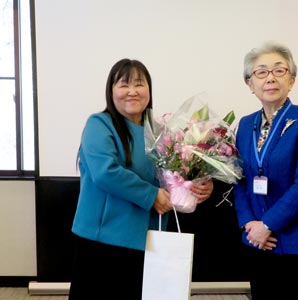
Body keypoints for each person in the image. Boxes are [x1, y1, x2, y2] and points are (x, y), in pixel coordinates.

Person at [68, 58, 213, 300]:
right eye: (123, 85)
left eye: (139, 84)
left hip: (148, 237)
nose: (132, 91)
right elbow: (106, 172)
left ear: (149, 90)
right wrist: (152, 195)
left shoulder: (159, 131)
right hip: (104, 240)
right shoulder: (99, 124)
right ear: (111, 91)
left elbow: (173, 175)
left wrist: (197, 185)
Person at [233, 41, 298, 300]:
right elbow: (239, 179)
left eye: (279, 70)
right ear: (249, 83)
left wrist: (268, 224)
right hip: (257, 242)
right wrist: (250, 225)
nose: (270, 78)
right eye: (261, 72)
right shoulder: (244, 125)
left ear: (292, 80)